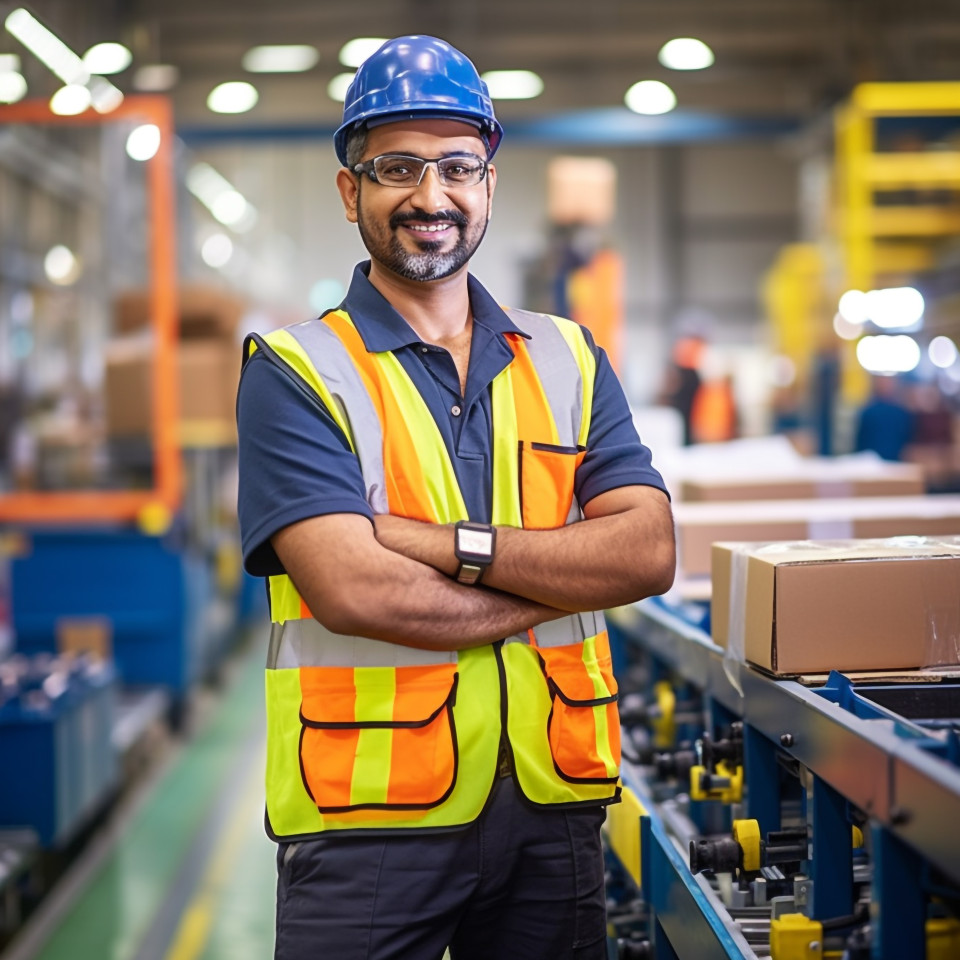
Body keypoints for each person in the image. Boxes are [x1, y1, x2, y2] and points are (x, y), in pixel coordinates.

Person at [236, 35, 675, 960]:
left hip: (554, 814)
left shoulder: (568, 356)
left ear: (488, 183)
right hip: (367, 822)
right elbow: (357, 592)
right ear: (352, 189)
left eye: (456, 167)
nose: (430, 197)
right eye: (397, 168)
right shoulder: (295, 371)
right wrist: (566, 578)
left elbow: (646, 555)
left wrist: (439, 544)